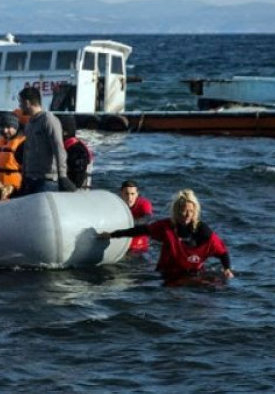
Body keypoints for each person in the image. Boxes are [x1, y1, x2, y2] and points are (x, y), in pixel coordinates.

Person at [98, 189, 234, 280]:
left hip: (193, 275)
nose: (187, 215)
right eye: (183, 211)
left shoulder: (204, 232)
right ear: (176, 211)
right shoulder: (167, 227)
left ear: (195, 212)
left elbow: (223, 252)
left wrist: (227, 269)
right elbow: (142, 230)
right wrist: (113, 234)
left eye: (191, 211)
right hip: (166, 275)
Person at [17, 87, 75, 195]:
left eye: (20, 103)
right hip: (30, 179)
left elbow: (58, 148)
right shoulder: (29, 124)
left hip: (46, 180)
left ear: (27, 103)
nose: (19, 106)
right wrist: (24, 176)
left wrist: (62, 176)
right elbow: (27, 151)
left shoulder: (48, 120)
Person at [0, 112, 25, 194]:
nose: (5, 130)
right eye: (2, 127)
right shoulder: (0, 141)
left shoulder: (23, 144)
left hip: (13, 190)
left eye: (8, 127)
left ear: (16, 127)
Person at [58, 114, 94, 189]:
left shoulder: (78, 150)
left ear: (65, 132)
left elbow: (78, 180)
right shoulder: (71, 146)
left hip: (77, 191)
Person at [119, 180, 154, 253]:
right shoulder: (117, 204)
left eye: (132, 194)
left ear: (137, 194)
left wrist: (129, 223)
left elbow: (147, 218)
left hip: (139, 247)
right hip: (120, 245)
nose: (129, 197)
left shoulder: (144, 203)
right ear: (121, 193)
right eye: (126, 193)